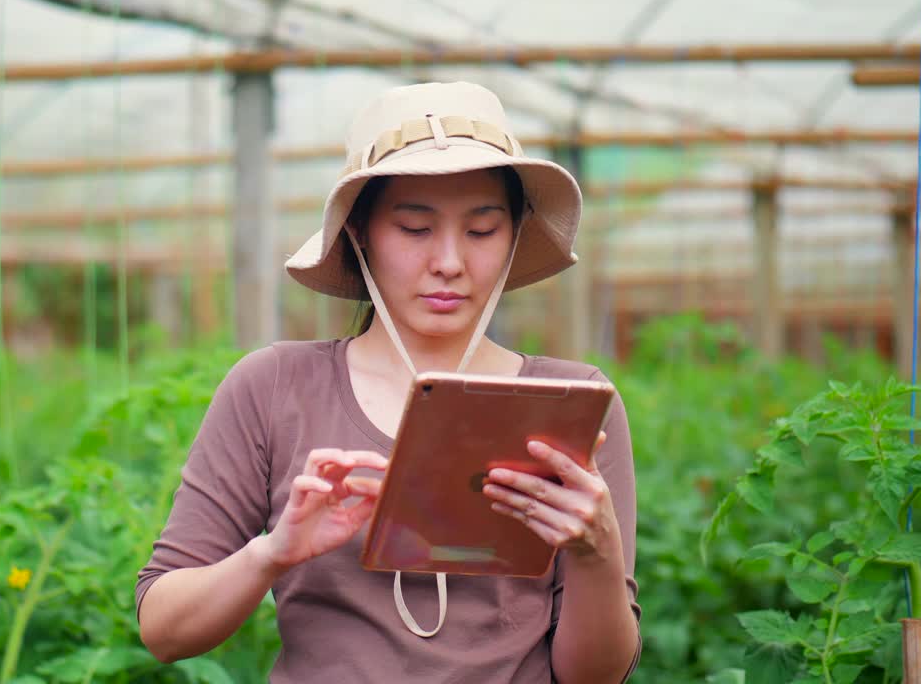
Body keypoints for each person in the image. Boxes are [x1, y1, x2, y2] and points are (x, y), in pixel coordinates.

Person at [136, 81, 641, 683]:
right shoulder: (275, 388)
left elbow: (596, 677)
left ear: (514, 235)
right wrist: (273, 554)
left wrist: (596, 553)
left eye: (482, 230)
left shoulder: (572, 402)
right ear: (359, 234)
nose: (450, 262)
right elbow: (163, 629)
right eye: (414, 228)